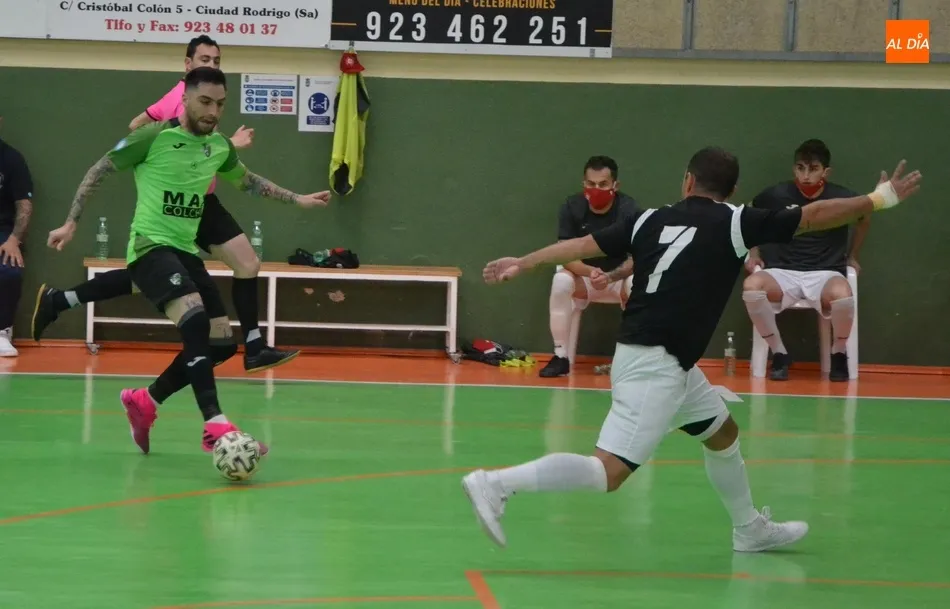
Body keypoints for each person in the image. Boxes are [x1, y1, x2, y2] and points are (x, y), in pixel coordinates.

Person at [463, 147, 921, 551]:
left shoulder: (649, 219)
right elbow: (816, 215)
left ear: (687, 180)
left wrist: (523, 262)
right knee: (608, 472)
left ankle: (748, 529)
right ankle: (496, 483)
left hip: (671, 364)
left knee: (722, 434)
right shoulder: (738, 222)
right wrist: (879, 199)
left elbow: (580, 244)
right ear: (733, 189)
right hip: (653, 366)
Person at [46, 67, 332, 455]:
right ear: (185, 99)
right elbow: (98, 171)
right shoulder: (153, 136)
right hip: (149, 249)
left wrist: (297, 199)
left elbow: (248, 180)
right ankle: (215, 424)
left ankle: (146, 401)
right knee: (195, 319)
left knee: (220, 344)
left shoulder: (219, 147)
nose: (213, 111)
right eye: (205, 102)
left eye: (220, 104)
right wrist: (71, 222)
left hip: (185, 251)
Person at [32, 35, 294, 373]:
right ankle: (237, 357)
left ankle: (61, 299)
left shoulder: (207, 94)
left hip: (200, 200)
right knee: (209, 272)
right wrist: (220, 145)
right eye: (204, 59)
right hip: (182, 204)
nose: (211, 65)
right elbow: (151, 132)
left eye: (216, 60)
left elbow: (170, 133)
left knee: (162, 273)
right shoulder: (180, 97)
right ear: (187, 65)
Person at [743, 139, 867, 381]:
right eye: (800, 168)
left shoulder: (841, 197)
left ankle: (838, 353)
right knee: (752, 287)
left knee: (843, 294)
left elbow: (865, 216)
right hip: (782, 272)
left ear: (825, 172)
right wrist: (753, 253)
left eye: (813, 169)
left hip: (826, 273)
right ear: (794, 169)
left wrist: (853, 255)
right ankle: (780, 353)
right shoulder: (776, 194)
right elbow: (748, 215)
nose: (806, 176)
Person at [540, 155, 639, 378]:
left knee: (638, 283)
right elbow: (564, 254)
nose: (596, 190)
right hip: (584, 279)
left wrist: (611, 276)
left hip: (618, 279)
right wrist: (590, 272)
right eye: (591, 184)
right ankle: (560, 356)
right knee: (560, 280)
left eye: (603, 184)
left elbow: (637, 257)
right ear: (583, 183)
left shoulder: (629, 209)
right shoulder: (571, 206)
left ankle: (633, 359)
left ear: (615, 185)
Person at [0, 115, 34, 357]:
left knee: (10, 271)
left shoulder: (11, 159)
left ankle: (2, 331)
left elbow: (24, 204)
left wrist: (14, 240)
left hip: (3, 233)